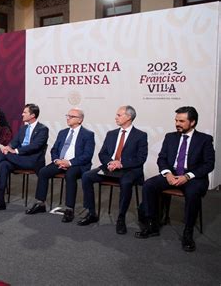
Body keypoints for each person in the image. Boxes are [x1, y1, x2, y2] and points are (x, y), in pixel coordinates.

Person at [135, 106, 215, 252]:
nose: (177, 123)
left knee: (193, 194)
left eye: (181, 121)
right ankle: (153, 224)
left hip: (193, 177)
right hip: (171, 174)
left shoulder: (205, 139)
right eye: (176, 120)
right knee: (148, 185)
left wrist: (187, 176)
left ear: (192, 122)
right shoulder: (170, 137)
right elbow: (162, 158)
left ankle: (188, 233)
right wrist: (168, 174)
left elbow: (209, 164)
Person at [78, 105, 148, 235]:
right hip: (110, 167)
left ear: (128, 117)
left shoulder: (140, 135)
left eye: (119, 115)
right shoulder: (111, 134)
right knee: (87, 176)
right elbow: (102, 154)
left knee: (126, 183)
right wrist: (110, 162)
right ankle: (91, 213)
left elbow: (141, 158)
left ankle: (121, 218)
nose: (116, 117)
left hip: (129, 169)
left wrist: (120, 164)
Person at [25, 108, 95, 222]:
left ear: (80, 120)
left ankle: (69, 209)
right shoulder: (63, 132)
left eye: (71, 116)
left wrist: (69, 163)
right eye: (67, 115)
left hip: (77, 164)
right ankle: (40, 203)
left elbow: (87, 155)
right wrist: (57, 160)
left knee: (70, 175)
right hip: (60, 162)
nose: (68, 118)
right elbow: (54, 149)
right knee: (43, 172)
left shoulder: (88, 134)